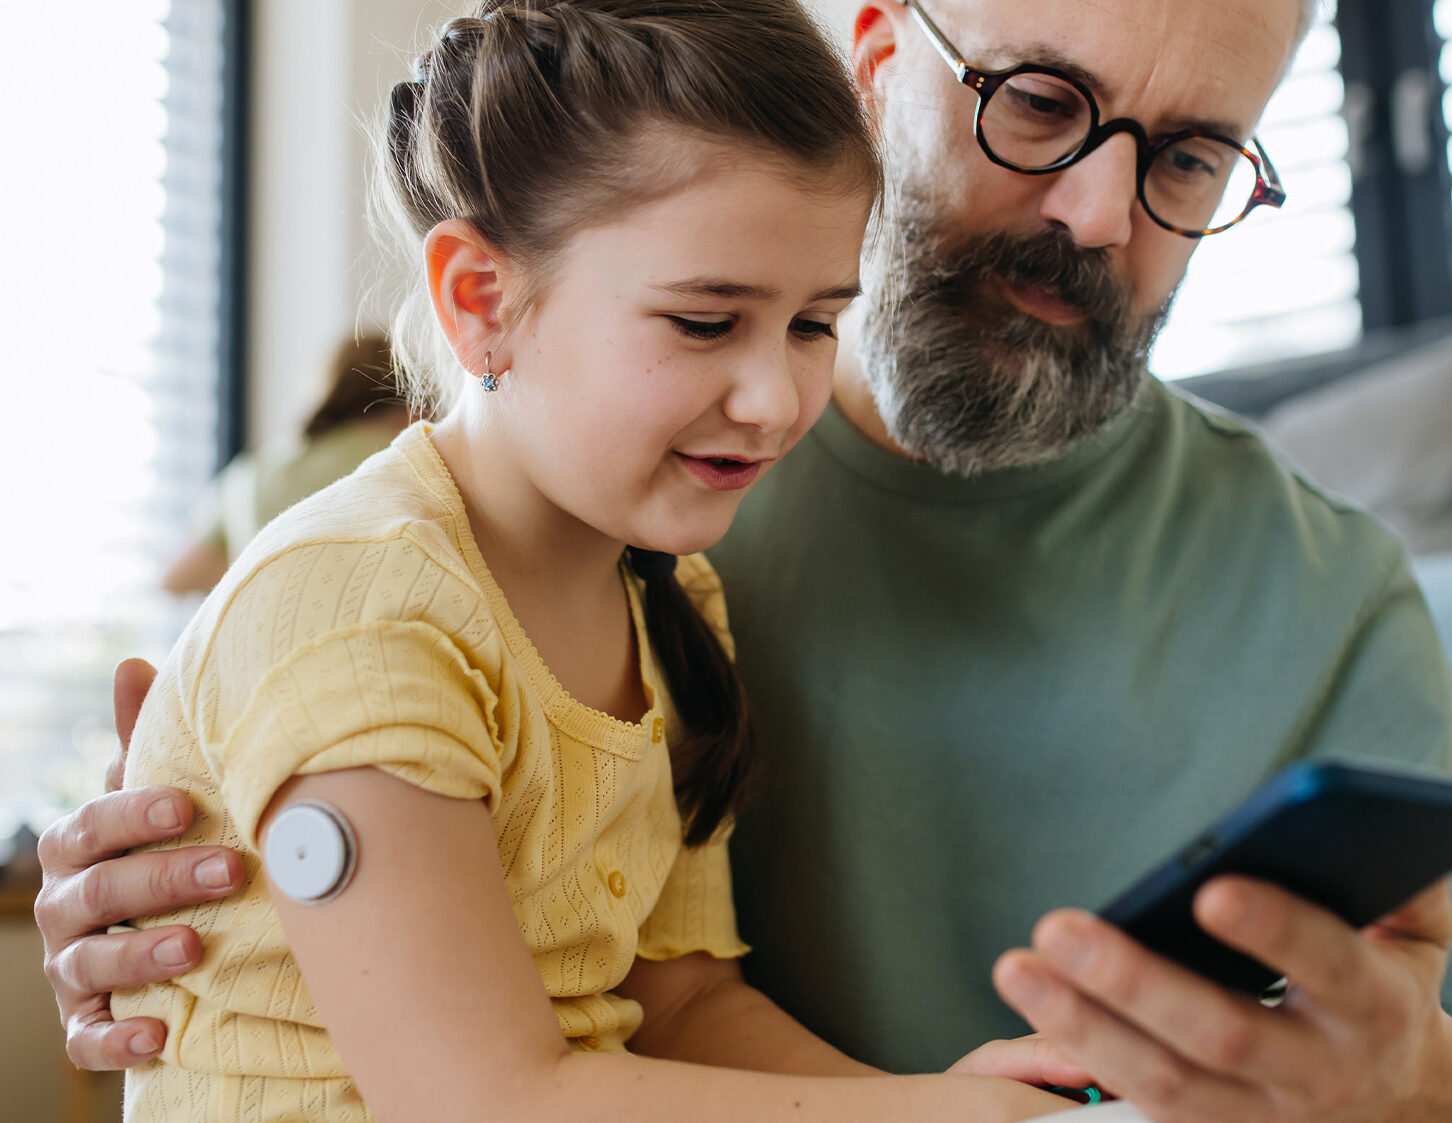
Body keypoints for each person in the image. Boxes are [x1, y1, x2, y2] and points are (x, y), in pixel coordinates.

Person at [35, 0, 1452, 1119]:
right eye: (1039, 101)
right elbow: (245, 876)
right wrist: (152, 875)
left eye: (1189, 157)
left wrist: (1408, 1087)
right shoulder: (535, 516)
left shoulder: (670, 572)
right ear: (882, 67)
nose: (1093, 211)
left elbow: (665, 988)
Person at [61, 2, 1091, 1120]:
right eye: (704, 322)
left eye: (810, 324)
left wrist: (933, 1097)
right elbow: (483, 1099)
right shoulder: (364, 611)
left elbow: (686, 1002)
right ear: (479, 298)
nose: (774, 400)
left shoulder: (667, 600)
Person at [160, 333, 415, 595]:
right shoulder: (403, 458)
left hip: (262, 628)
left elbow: (177, 579)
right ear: (410, 397)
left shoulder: (254, 468)